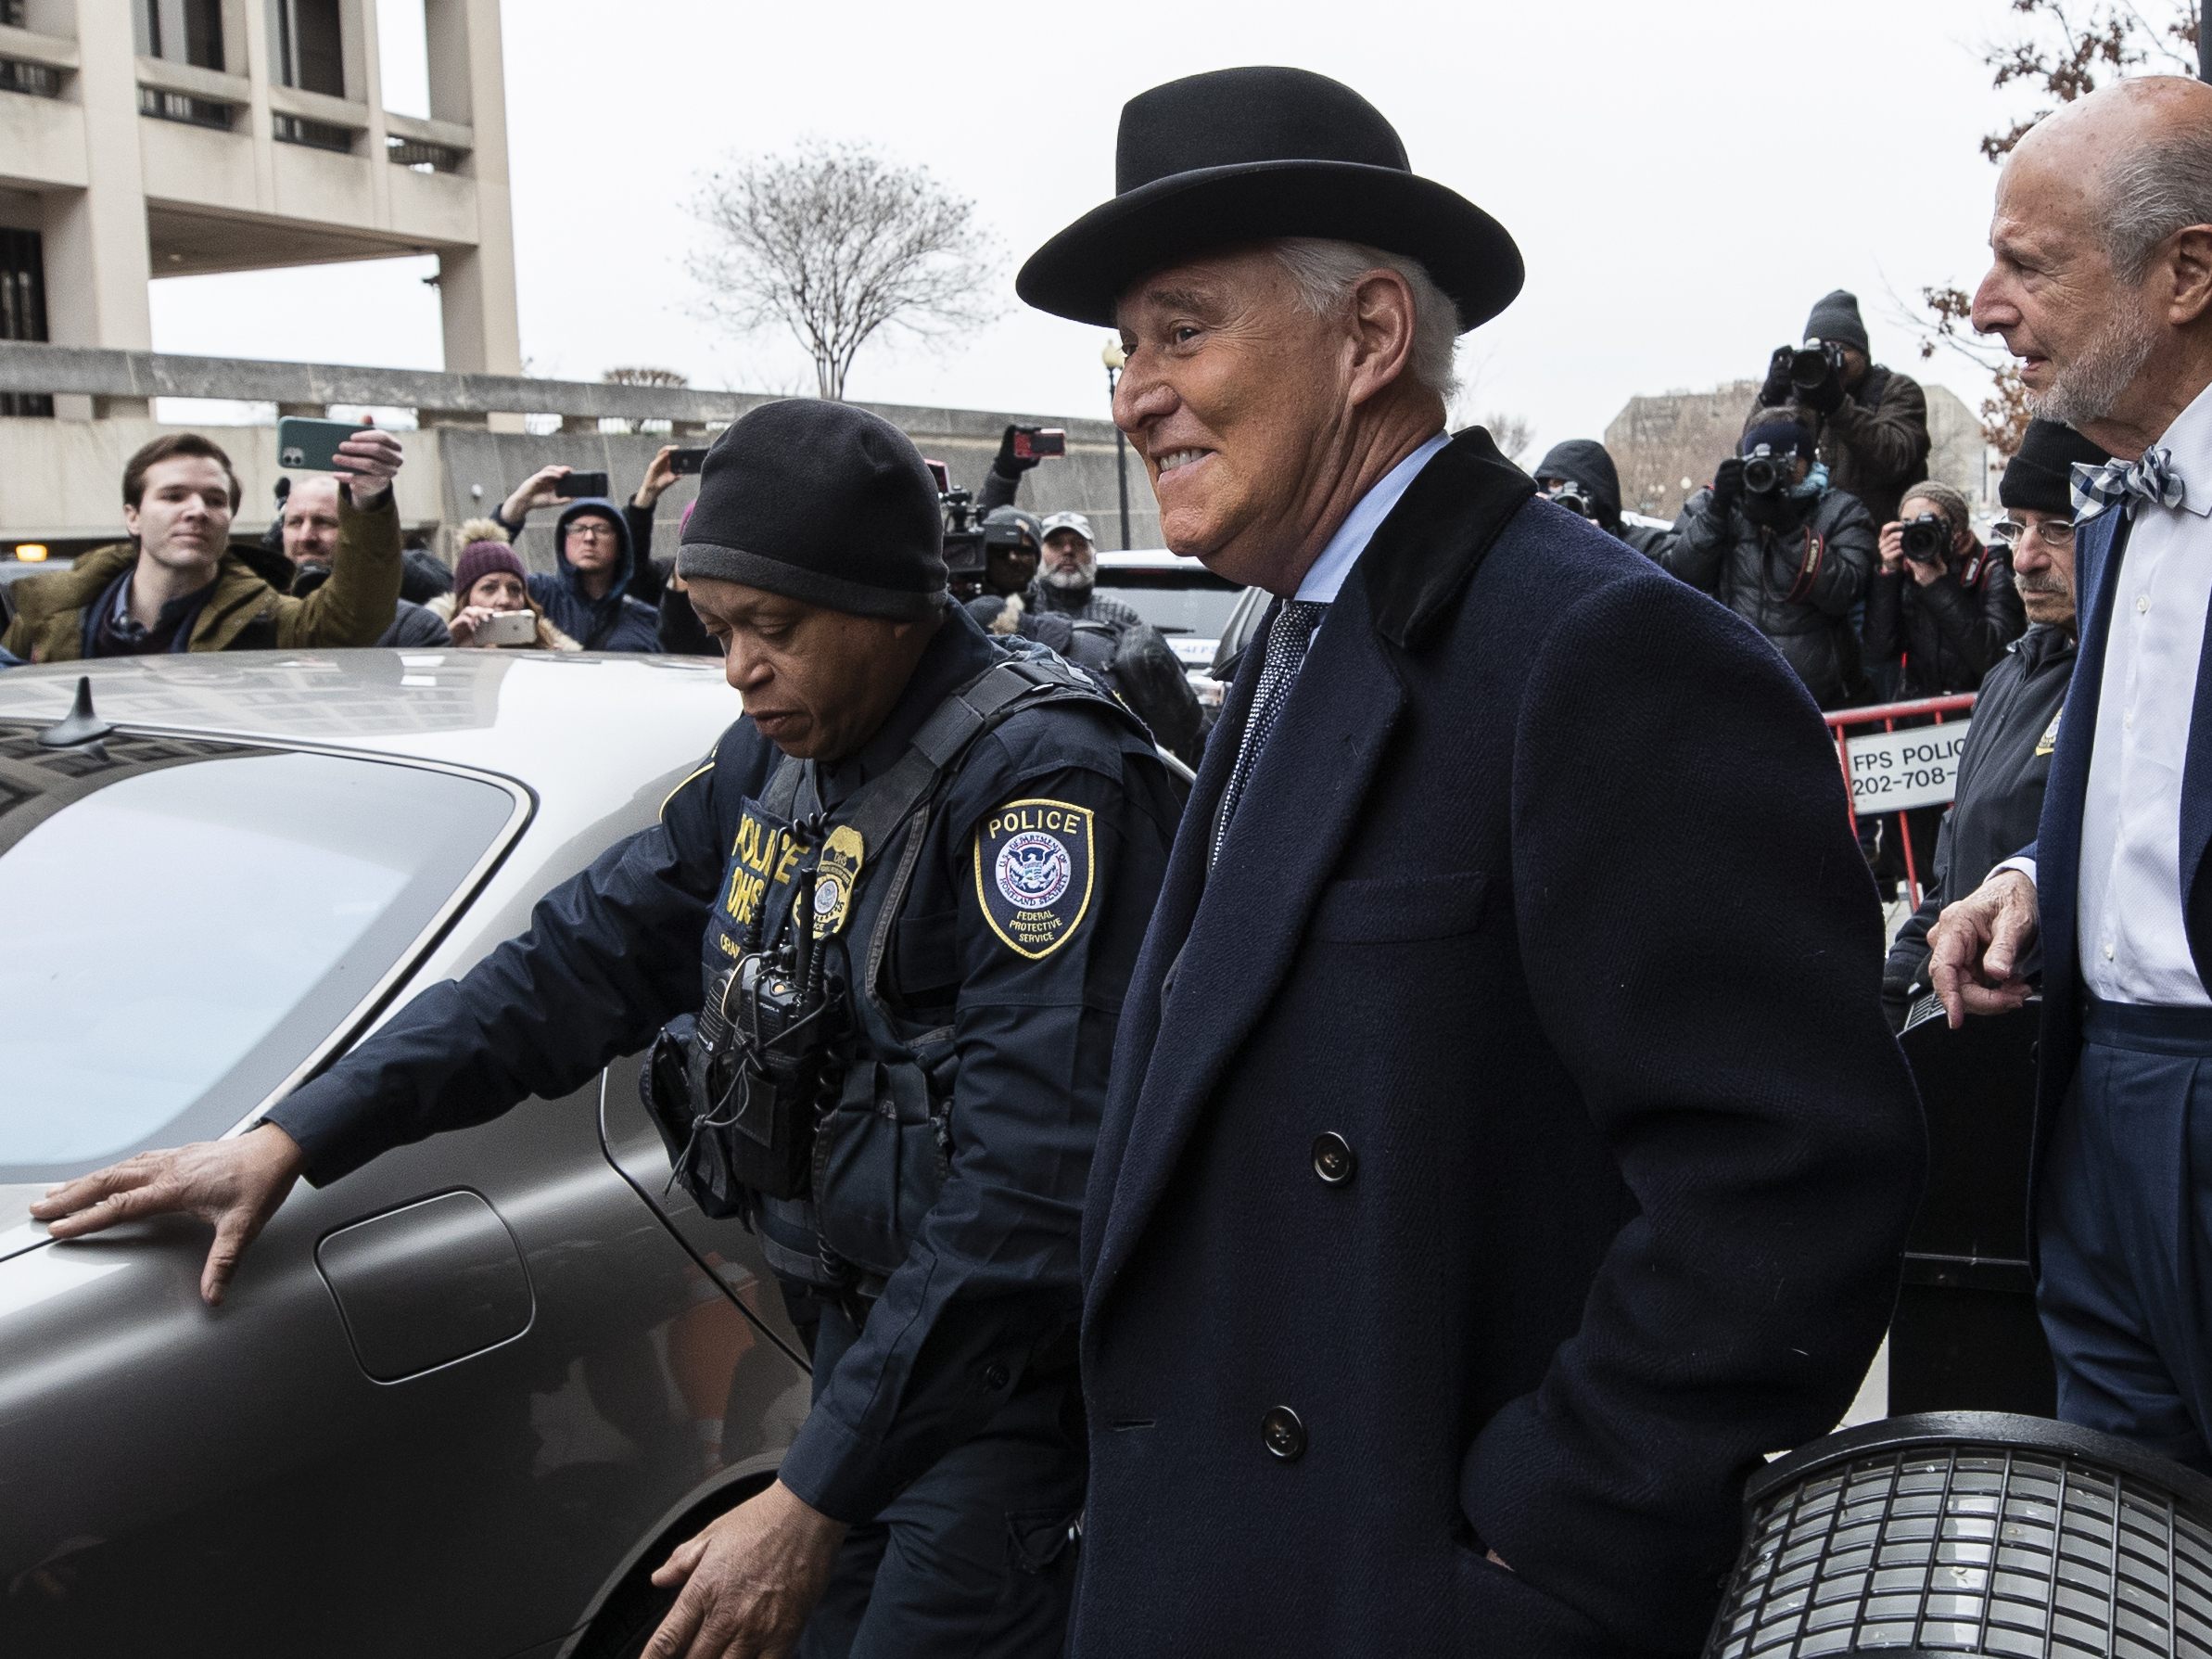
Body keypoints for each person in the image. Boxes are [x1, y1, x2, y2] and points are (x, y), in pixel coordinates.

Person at [33, 398, 1182, 1658]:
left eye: (773, 629)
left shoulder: (1037, 785)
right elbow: (572, 962)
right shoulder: (780, 753)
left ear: (891, 606)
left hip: (996, 1392)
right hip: (865, 1355)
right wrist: (295, 1135)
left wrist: (811, 1494)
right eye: (720, 627)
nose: (740, 668)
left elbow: (1028, 1192)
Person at [1012, 65, 1922, 1654]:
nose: (1133, 393)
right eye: (1124, 348)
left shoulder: (1594, 648)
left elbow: (1789, 1173)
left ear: (1367, 337)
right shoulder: (1297, 625)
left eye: (1179, 330)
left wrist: (1543, 1554)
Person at [1928, 76, 2212, 1474]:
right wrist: (2033, 876)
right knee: (2122, 1545)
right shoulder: (2116, 510)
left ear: (2186, 273)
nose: (1983, 305)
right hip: (2092, 1103)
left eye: (2024, 264)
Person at [1880, 420, 2106, 1027]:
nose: (2024, 556)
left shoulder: (2124, 680)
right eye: (2015, 527)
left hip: (2053, 1025)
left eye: (2058, 528)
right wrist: (1901, 966)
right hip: (1968, 1018)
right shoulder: (2009, 676)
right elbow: (1954, 870)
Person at [1, 430, 404, 661]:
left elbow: (354, 620)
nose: (197, 511)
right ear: (133, 516)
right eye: (173, 496)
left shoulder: (264, 619)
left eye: (215, 500)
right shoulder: (52, 613)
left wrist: (368, 497)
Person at [1657, 419, 1879, 708]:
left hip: (1823, 697)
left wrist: (1790, 530)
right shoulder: (1717, 504)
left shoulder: (1840, 510)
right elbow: (1680, 578)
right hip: (1740, 693)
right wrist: (1716, 511)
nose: (1771, 473)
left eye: (1783, 463)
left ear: (1809, 464)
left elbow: (1845, 592)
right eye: (1759, 464)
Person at [1749, 289, 1933, 528]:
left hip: (1876, 545)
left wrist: (1836, 405)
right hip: (1805, 547)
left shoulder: (1896, 391)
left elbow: (1896, 459)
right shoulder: (1798, 398)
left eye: (1838, 350)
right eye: (1819, 352)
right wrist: (1769, 398)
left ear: (1863, 353)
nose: (1828, 361)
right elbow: (1750, 458)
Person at [1862, 479, 2027, 699]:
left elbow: (1998, 659)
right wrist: (1888, 575)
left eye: (1929, 523)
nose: (1918, 533)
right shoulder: (1905, 572)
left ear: (1957, 531)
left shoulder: (1992, 569)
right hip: (1918, 718)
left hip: (1977, 711)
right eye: (1908, 525)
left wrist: (1937, 585)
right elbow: (1879, 651)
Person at [492, 466, 661, 651]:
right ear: (563, 541)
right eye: (577, 529)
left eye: (601, 529)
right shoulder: (536, 596)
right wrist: (519, 504)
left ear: (621, 545)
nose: (589, 538)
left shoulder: (645, 620)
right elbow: (480, 569)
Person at [277, 473, 451, 648]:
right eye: (295, 523)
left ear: (356, 531)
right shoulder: (264, 617)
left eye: (323, 522)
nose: (305, 536)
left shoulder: (414, 628)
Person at [426, 522, 580, 651]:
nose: (504, 600)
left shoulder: (550, 648)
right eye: (489, 588)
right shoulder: (435, 642)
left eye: (515, 589)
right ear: (465, 599)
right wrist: (448, 646)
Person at [1531, 438, 1674, 558]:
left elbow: (1681, 563)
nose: (1566, 518)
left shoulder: (1642, 548)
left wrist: (1600, 547)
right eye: (1554, 506)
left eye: (1573, 506)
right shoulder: (1528, 546)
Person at [1030, 511, 1143, 626]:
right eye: (1056, 544)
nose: (1068, 551)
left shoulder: (1121, 615)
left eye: (1078, 544)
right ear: (1039, 555)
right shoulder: (1025, 610)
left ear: (1093, 555)